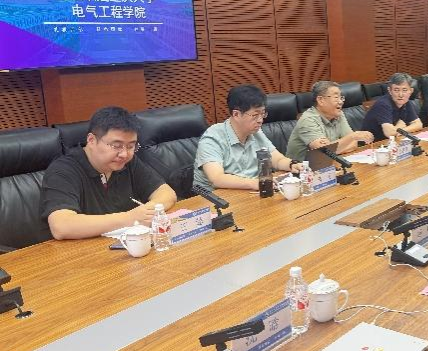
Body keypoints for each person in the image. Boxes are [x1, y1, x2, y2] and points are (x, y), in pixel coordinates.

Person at [40, 106, 177, 240]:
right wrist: (130, 218)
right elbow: (62, 226)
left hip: (125, 244)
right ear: (91, 140)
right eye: (116, 146)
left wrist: (146, 212)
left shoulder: (127, 162)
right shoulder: (63, 170)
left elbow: (166, 193)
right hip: (82, 250)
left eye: (131, 146)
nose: (124, 154)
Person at [194, 84, 300, 191]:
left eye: (263, 114)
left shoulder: (255, 132)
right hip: (216, 196)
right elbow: (217, 179)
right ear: (236, 114)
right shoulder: (212, 138)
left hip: (250, 191)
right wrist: (255, 183)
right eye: (255, 115)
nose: (260, 120)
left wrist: (292, 164)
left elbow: (277, 160)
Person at [285, 81, 374, 161]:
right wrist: (352, 136)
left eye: (341, 97)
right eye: (336, 97)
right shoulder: (308, 120)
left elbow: (353, 144)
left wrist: (333, 149)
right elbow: (324, 151)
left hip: (327, 165)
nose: (341, 102)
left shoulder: (338, 114)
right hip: (300, 170)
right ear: (321, 100)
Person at [360, 72, 423, 142]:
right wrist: (400, 126)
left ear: (411, 91)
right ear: (390, 91)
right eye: (396, 90)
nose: (401, 95)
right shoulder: (383, 104)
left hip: (391, 142)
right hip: (372, 144)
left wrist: (401, 130)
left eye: (404, 90)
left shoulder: (405, 102)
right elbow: (389, 133)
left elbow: (419, 124)